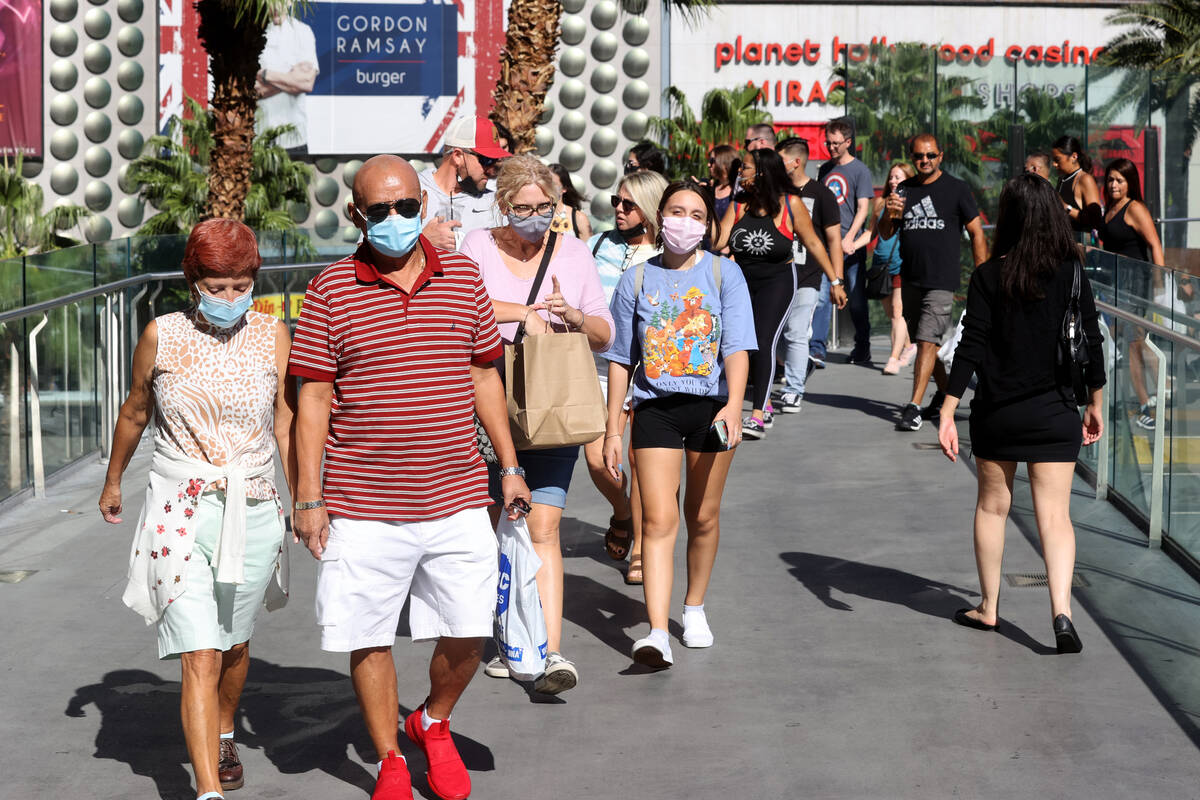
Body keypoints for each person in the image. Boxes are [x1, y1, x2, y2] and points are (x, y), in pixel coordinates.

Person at [288, 154, 531, 800]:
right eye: (379, 210)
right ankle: (391, 758)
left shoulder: (464, 280)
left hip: (456, 494)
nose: (394, 220)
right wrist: (307, 496)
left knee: (472, 626)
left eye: (405, 207)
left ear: (423, 204)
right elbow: (311, 400)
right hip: (361, 505)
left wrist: (509, 466)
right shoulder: (329, 291)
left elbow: (485, 375)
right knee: (367, 635)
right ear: (355, 216)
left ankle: (434, 719)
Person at [101, 219, 297, 800]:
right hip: (177, 509)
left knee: (233, 645)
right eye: (217, 286)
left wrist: (309, 500)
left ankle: (224, 729)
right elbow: (136, 411)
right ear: (193, 282)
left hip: (255, 505)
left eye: (241, 285)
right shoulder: (161, 334)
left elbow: (285, 425)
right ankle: (206, 791)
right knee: (200, 653)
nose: (231, 298)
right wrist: (113, 481)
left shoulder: (273, 335)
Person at [460, 155, 614, 695]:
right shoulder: (478, 246)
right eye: (523, 208)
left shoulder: (572, 253)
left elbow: (605, 332)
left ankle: (547, 653)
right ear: (503, 205)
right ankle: (508, 637)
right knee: (495, 524)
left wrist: (570, 315)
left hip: (550, 400)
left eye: (544, 207)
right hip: (486, 400)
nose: (534, 217)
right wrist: (517, 312)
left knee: (543, 526)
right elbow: (459, 306)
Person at [937, 174, 1105, 654]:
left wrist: (948, 411)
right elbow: (1090, 341)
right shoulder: (1073, 271)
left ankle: (989, 608)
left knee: (993, 507)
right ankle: (1061, 613)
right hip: (1055, 412)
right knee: (1055, 517)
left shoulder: (990, 275)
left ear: (1009, 216)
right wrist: (1093, 404)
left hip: (998, 413)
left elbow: (972, 347)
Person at [603, 181, 757, 668]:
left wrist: (734, 406)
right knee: (658, 519)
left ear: (708, 224)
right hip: (655, 411)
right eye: (676, 211)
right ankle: (655, 632)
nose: (684, 222)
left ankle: (693, 608)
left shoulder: (724, 273)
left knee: (702, 515)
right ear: (659, 216)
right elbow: (618, 360)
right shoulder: (637, 280)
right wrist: (612, 429)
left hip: (711, 410)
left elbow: (736, 345)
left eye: (695, 214)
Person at [717, 147, 840, 439]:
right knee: (739, 344)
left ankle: (757, 415)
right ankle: (766, 402)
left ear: (761, 173)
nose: (739, 174)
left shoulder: (790, 205)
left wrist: (836, 282)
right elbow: (719, 238)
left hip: (778, 282)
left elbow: (814, 242)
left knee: (763, 341)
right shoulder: (739, 205)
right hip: (741, 284)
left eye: (744, 168)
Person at [586, 170, 669, 585]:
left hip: (651, 372)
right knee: (600, 460)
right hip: (600, 368)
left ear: (650, 209)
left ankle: (640, 547)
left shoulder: (667, 253)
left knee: (641, 461)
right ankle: (624, 511)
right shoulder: (597, 245)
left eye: (628, 204)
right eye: (616, 202)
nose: (618, 209)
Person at [879, 133, 988, 432]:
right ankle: (946, 391)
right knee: (926, 343)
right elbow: (886, 232)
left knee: (928, 341)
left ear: (940, 156)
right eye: (918, 156)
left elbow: (977, 232)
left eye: (930, 155)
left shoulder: (956, 189)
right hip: (911, 278)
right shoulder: (904, 189)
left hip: (941, 281)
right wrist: (889, 215)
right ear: (912, 157)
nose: (924, 161)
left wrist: (984, 276)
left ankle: (912, 406)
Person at [775, 136, 846, 412]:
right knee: (773, 339)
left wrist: (836, 280)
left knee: (795, 332)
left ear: (796, 162)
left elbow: (833, 240)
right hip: (776, 276)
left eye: (781, 160)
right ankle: (801, 362)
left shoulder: (822, 194)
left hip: (808, 276)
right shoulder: (775, 194)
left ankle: (793, 389)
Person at [1100, 158, 1166, 430]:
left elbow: (1155, 244)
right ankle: (1161, 388)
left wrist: (1160, 284)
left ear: (1130, 184)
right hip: (1114, 283)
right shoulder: (1110, 208)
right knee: (1131, 343)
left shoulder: (1134, 208)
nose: (1114, 184)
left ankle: (1145, 406)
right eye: (1111, 179)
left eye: (1120, 180)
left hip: (1132, 284)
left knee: (1132, 346)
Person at [814, 119, 875, 365]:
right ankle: (817, 347)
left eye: (836, 143)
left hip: (850, 249)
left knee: (857, 300)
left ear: (848, 142)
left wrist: (849, 238)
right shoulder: (825, 169)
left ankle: (863, 346)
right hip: (826, 248)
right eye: (828, 142)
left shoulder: (860, 171)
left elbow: (863, 209)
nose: (831, 147)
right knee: (821, 298)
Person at [419, 115, 513, 251]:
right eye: (486, 160)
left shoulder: (496, 204)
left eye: (495, 160)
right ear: (457, 156)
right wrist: (423, 241)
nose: (491, 169)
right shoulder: (412, 189)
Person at [871, 161, 918, 375]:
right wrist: (850, 242)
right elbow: (872, 233)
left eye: (898, 177)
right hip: (881, 263)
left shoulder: (913, 203)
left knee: (899, 312)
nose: (893, 181)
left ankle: (893, 358)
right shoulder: (881, 204)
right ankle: (909, 347)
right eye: (891, 177)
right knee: (892, 314)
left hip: (901, 263)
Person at [255, 5, 318, 157]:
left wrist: (265, 75)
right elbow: (254, 90)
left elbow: (307, 83)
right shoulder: (252, 33)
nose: (276, 5)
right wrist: (291, 79)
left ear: (290, 2)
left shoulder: (302, 31)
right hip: (258, 138)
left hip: (294, 139)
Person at [1051, 135, 1102, 238]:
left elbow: (1095, 219)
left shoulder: (1085, 179)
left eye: (1058, 160)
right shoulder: (1062, 179)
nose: (1054, 164)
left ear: (1074, 157)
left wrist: (1066, 208)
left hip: (1080, 247)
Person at [547, 163, 593, 239]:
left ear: (564, 188)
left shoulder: (578, 218)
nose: (548, 187)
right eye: (545, 183)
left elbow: (587, 249)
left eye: (553, 184)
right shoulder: (536, 215)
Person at [708, 144, 739, 223]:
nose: (708, 165)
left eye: (712, 161)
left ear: (724, 163)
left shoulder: (738, 190)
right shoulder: (711, 188)